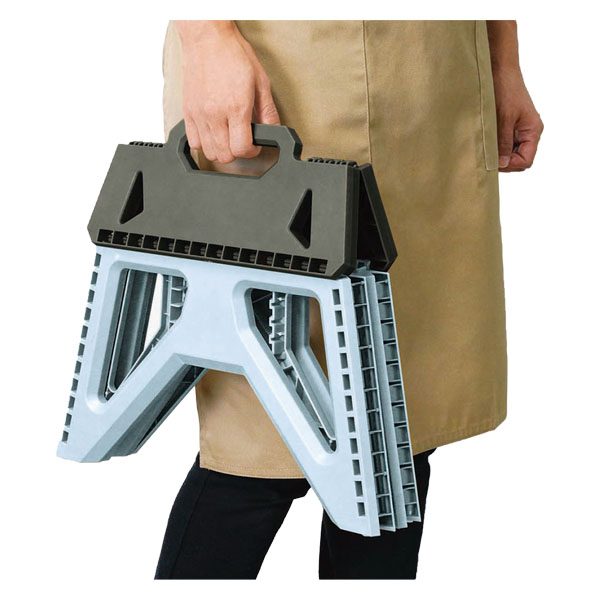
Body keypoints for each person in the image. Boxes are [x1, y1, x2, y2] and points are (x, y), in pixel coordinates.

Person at [155, 20, 543, 579]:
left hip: (430, 70)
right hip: (280, 68)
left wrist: (503, 60)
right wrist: (206, 38)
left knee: (397, 432)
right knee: (257, 445)